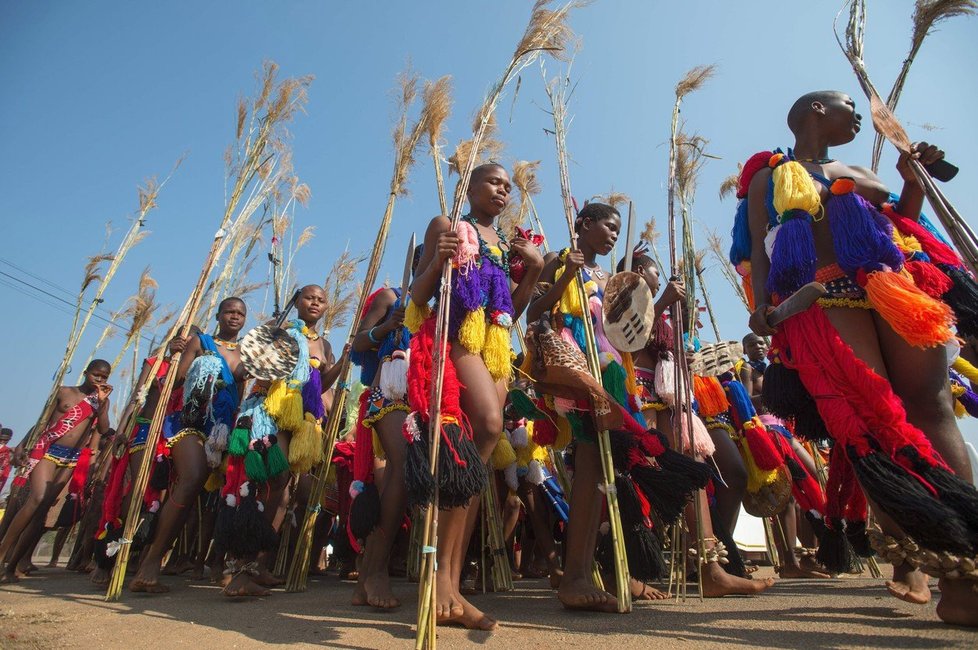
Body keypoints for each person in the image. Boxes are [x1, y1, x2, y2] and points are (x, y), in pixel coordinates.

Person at [740, 90, 978, 625]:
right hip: (825, 292)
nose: (857, 116)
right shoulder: (770, 175)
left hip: (892, 285)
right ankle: (923, 559)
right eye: (850, 106)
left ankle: (967, 571)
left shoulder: (861, 170)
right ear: (816, 110)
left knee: (933, 407)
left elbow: (901, 222)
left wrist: (913, 178)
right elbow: (759, 245)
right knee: (874, 418)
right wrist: (762, 306)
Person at [406, 162, 543, 629]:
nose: (502, 191)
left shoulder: (505, 246)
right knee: (486, 425)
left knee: (472, 464)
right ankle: (439, 579)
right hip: (456, 338)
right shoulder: (447, 225)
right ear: (471, 186)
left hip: (494, 346)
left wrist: (536, 270)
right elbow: (418, 296)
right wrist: (440, 256)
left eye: (508, 186)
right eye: (493, 182)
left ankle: (449, 582)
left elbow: (511, 310)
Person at [215, 285, 348, 598]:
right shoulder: (282, 330)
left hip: (296, 419)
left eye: (321, 299)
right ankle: (239, 570)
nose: (315, 302)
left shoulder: (324, 344)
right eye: (308, 297)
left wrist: (343, 360)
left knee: (283, 492)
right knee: (264, 485)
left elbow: (318, 385)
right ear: (296, 301)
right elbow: (253, 367)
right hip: (268, 414)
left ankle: (256, 566)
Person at [128, 297, 248, 593]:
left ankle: (211, 564)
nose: (235, 317)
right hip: (190, 422)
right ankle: (150, 562)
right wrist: (175, 355)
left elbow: (241, 394)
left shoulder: (247, 352)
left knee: (208, 494)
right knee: (192, 477)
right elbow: (177, 379)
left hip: (221, 430)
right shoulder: (200, 340)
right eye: (229, 311)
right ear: (219, 315)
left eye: (240, 313)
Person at [0, 360, 112, 582]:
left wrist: (101, 404)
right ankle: (2, 553)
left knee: (42, 513)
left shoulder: (100, 402)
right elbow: (41, 422)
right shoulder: (63, 392)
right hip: (48, 450)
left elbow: (103, 429)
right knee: (37, 498)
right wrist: (23, 445)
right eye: (96, 374)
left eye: (104, 377)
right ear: (86, 372)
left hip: (70, 459)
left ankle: (12, 567)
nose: (99, 379)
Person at [739, 333, 827, 579]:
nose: (757, 347)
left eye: (761, 343)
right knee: (786, 495)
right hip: (767, 431)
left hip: (788, 431)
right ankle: (789, 562)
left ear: (768, 346)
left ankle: (811, 554)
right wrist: (774, 397)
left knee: (813, 485)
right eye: (751, 344)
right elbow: (745, 402)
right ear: (745, 349)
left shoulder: (776, 370)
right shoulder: (747, 370)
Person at [349, 280, 410, 608]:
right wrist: (387, 326)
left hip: (423, 398)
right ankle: (375, 572)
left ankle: (365, 577)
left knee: (406, 478)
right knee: (400, 467)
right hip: (387, 392)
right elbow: (358, 343)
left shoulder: (446, 302)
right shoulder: (392, 297)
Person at [0, 428, 13, 495]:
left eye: (5, 440)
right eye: (1, 439)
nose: (2, 441)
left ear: (9, 439)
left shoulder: (10, 452)